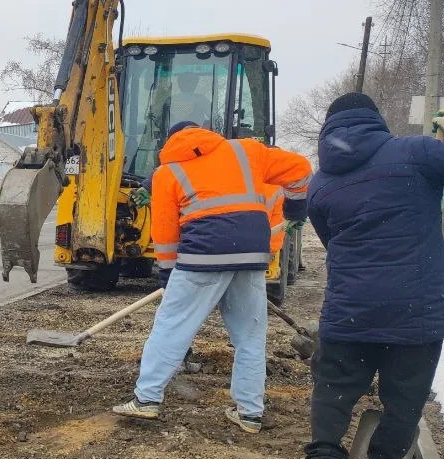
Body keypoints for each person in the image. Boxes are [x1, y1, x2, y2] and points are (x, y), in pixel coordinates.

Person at [286, 94, 444, 459]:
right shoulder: (416, 152)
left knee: (332, 389)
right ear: (375, 120)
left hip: (351, 308)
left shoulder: (320, 183)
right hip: (415, 311)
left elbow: (331, 240)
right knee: (404, 400)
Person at [112, 121, 311, 432]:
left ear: (171, 142)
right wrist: (297, 210)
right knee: (250, 337)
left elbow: (165, 232)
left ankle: (147, 399)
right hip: (251, 254)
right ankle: (250, 413)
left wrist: (167, 273)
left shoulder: (168, 171)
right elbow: (300, 168)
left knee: (171, 326)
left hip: (201, 255)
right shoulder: (246, 151)